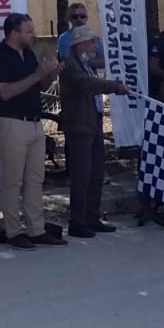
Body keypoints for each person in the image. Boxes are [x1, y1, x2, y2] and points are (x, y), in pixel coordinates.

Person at [0, 13, 63, 249]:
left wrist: (50, 74)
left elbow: (39, 84)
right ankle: (13, 231)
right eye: (28, 31)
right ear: (13, 33)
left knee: (35, 180)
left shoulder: (28, 54)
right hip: (12, 123)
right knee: (13, 180)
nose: (33, 35)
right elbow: (5, 92)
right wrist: (38, 74)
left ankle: (36, 229)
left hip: (35, 122)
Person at [58, 26, 128, 238]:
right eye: (91, 42)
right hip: (79, 125)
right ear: (79, 44)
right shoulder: (69, 63)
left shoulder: (86, 63)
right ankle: (77, 222)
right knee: (81, 176)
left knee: (96, 174)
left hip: (93, 123)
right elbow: (85, 84)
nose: (94, 46)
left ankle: (92, 217)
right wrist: (113, 86)